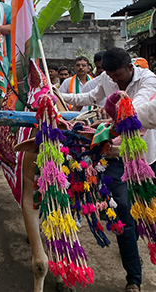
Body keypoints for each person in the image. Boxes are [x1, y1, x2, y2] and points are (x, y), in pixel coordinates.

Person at [62, 47, 156, 292]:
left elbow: (139, 106)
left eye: (118, 76)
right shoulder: (107, 77)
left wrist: (116, 119)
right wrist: (61, 97)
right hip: (114, 155)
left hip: (144, 158)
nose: (114, 80)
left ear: (129, 67)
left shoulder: (148, 79)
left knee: (143, 213)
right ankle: (134, 280)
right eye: (110, 76)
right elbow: (91, 96)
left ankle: (132, 246)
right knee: (124, 210)